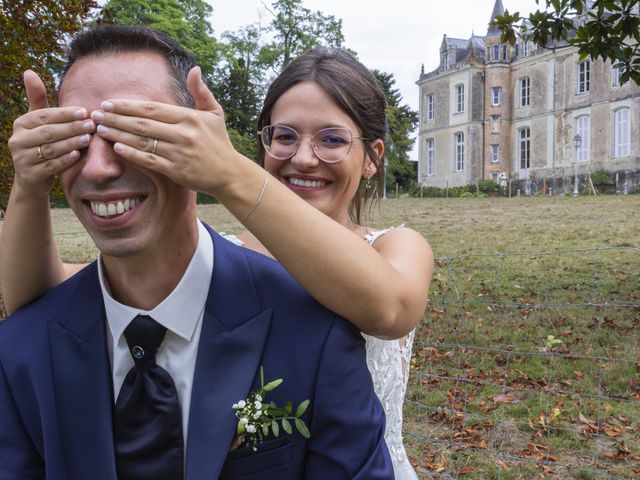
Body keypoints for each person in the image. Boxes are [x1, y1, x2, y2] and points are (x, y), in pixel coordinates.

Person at [0, 36, 433, 480]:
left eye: (332, 139)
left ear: (372, 158)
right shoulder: (218, 258)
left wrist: (225, 170)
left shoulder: (388, 253)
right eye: (284, 136)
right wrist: (30, 182)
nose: (304, 158)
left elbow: (390, 306)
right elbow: (41, 303)